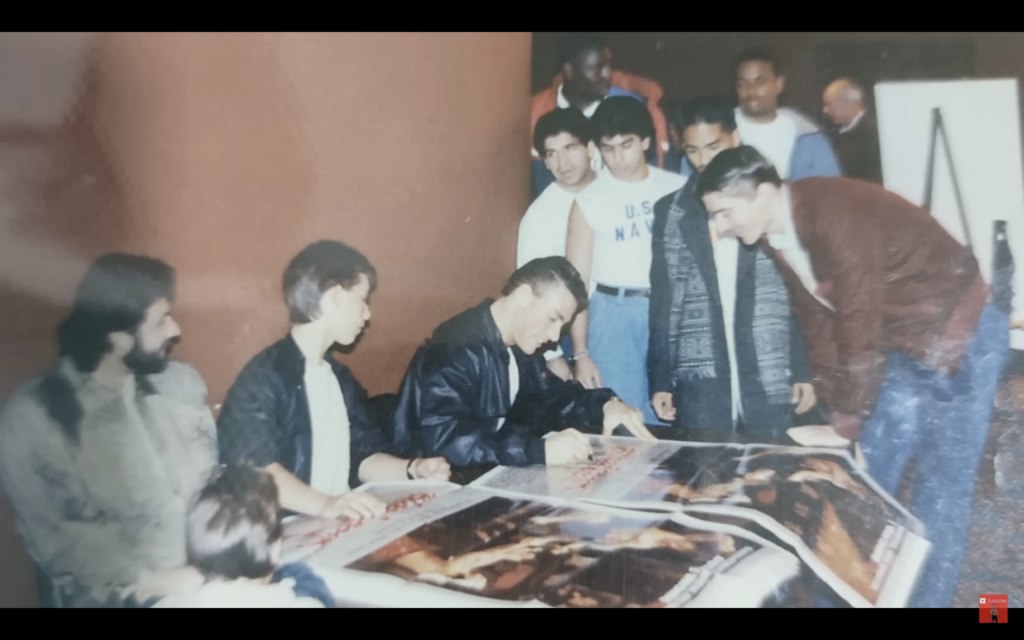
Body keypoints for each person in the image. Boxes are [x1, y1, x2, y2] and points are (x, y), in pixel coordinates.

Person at [696, 146, 1010, 608]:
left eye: (723, 213)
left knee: (940, 489)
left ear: (763, 192)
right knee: (864, 477)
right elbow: (820, 326)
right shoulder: (776, 236)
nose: (719, 229)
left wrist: (846, 420)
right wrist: (836, 412)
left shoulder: (830, 212)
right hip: (902, 341)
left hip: (961, 333)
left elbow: (858, 316)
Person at [0, 253, 218, 607]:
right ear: (118, 336)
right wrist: (151, 581)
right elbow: (65, 540)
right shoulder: (34, 419)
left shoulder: (180, 385)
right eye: (162, 319)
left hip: (206, 581)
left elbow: (213, 485)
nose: (175, 330)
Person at [217, 241, 450, 524]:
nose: (367, 314)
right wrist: (327, 505)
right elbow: (254, 472)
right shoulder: (262, 379)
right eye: (363, 299)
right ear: (334, 297)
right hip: (282, 535)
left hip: (337, 525)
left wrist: (414, 469)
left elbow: (363, 457)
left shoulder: (339, 378)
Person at [649, 96, 817, 438]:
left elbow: (794, 294)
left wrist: (803, 369)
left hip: (766, 361)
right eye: (692, 150)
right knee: (709, 471)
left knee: (770, 471)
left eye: (713, 146)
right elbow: (663, 302)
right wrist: (661, 378)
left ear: (735, 138)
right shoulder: (672, 212)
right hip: (701, 368)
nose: (702, 160)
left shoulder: (765, 201)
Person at [392, 256, 655, 468]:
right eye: (554, 318)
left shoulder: (519, 347)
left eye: (562, 326)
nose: (554, 337)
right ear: (523, 296)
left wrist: (605, 405)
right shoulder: (456, 347)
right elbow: (445, 443)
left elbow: (549, 398)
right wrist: (536, 451)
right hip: (438, 488)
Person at [566, 96, 687, 426]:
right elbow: (575, 284)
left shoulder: (678, 188)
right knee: (623, 422)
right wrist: (581, 353)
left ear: (646, 141)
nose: (617, 158)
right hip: (612, 315)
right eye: (608, 148)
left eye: (626, 145)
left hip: (668, 315)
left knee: (673, 418)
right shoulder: (588, 200)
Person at [130, 465, 335, 608]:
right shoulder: (290, 598)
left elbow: (139, 595)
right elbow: (315, 590)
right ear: (274, 551)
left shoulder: (175, 602)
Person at [529, 32, 671, 200]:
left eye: (608, 66)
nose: (607, 74)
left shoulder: (631, 107)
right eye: (597, 68)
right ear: (569, 71)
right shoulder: (535, 112)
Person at [518, 108, 599, 382]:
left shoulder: (612, 191)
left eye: (569, 148)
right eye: (551, 154)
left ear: (590, 147)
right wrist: (554, 357)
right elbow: (533, 293)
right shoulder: (539, 216)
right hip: (565, 332)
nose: (562, 162)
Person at [728, 48, 841, 181]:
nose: (751, 91)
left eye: (760, 82)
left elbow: (833, 188)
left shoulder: (807, 134)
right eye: (742, 84)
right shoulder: (723, 130)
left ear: (779, 84)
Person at [822, 78, 883, 184]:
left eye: (829, 103)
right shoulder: (834, 134)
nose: (825, 110)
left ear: (846, 102)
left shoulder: (875, 134)